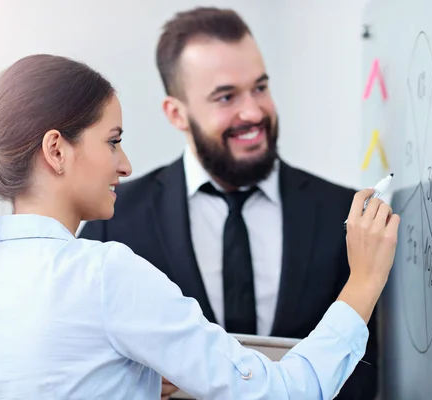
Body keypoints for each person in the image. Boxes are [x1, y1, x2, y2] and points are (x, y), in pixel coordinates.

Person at [0, 54, 399, 400]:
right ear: (56, 150)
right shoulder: (103, 275)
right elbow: (284, 393)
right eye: (113, 141)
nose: (125, 165)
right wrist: (364, 282)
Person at [78, 7, 380, 399]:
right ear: (177, 114)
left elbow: (364, 372)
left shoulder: (342, 215)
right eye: (226, 97)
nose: (253, 112)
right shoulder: (115, 220)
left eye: (260, 88)